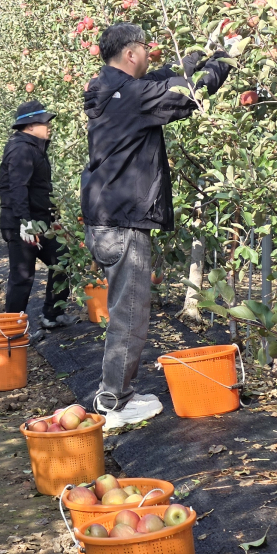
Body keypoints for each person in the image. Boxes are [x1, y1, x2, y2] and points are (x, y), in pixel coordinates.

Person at [80, 23, 233, 430]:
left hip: (107, 220)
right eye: (145, 49)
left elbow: (165, 77)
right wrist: (226, 61)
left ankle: (118, 393)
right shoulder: (130, 97)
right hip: (123, 223)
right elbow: (185, 93)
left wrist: (204, 52)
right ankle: (113, 402)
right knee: (129, 316)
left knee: (124, 311)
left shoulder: (113, 90)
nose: (150, 55)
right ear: (131, 54)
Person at [0, 100, 76, 331]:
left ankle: (53, 314)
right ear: (31, 125)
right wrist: (25, 223)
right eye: (45, 122)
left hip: (41, 222)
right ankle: (11, 331)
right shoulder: (22, 149)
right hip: (23, 222)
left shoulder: (34, 147)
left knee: (62, 260)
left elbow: (39, 189)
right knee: (22, 277)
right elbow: (18, 188)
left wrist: (53, 219)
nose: (49, 125)